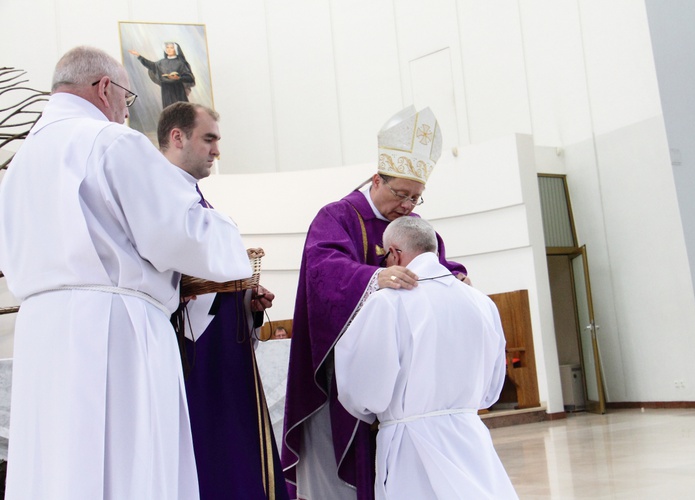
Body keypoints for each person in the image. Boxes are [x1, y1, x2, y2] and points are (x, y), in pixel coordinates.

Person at [0, 46, 254, 500]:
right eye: (128, 99)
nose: (125, 112)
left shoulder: (20, 163)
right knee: (128, 463)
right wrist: (227, 231)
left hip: (42, 333)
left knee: (56, 465)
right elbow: (178, 235)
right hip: (115, 329)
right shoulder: (112, 141)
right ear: (104, 88)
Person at [282, 106, 470, 500]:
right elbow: (323, 269)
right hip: (345, 379)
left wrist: (453, 274)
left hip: (403, 381)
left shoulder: (412, 224)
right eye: (401, 194)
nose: (407, 206)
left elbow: (432, 258)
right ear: (376, 179)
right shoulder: (338, 216)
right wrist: (372, 276)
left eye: (416, 198)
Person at [158, 101, 289, 500]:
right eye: (209, 138)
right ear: (177, 137)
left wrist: (245, 303)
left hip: (219, 353)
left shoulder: (192, 195)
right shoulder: (157, 191)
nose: (217, 150)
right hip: (191, 355)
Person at [334, 217, 518, 499]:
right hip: (471, 436)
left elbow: (365, 389)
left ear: (394, 253)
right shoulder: (481, 302)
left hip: (412, 444)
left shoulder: (388, 302)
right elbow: (493, 384)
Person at [129, 42, 195, 108]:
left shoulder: (181, 63)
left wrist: (178, 78)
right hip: (166, 90)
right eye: (167, 47)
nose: (169, 49)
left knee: (181, 109)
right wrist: (139, 56)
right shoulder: (161, 62)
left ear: (176, 50)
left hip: (178, 89)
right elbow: (151, 65)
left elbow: (190, 77)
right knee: (169, 110)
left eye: (171, 48)